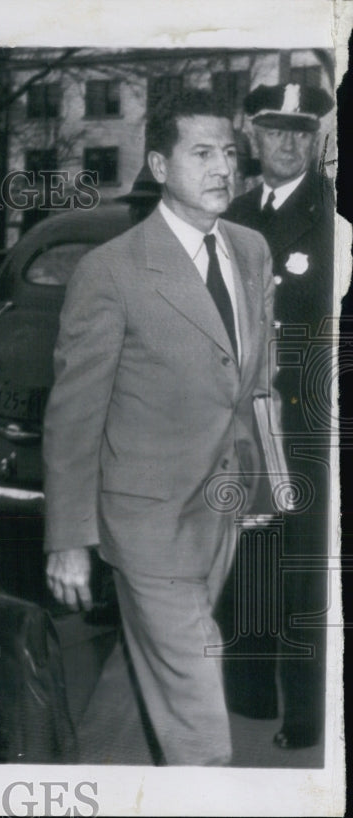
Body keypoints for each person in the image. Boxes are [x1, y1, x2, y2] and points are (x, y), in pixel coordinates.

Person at [42, 90, 277, 766]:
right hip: (146, 521)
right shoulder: (111, 271)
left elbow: (258, 384)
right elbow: (74, 414)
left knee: (150, 667)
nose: (223, 168)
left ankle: (89, 779)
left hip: (222, 508)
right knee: (197, 704)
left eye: (230, 154)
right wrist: (68, 539)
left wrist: (265, 480)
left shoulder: (251, 251)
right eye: (201, 153)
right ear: (159, 165)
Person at [219, 82, 335, 750]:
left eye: (300, 130)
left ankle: (307, 715)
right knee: (247, 560)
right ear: (252, 135)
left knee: (301, 569)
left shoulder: (331, 215)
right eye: (274, 129)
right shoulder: (229, 213)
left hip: (305, 422)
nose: (287, 142)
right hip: (237, 421)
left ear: (313, 137)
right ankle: (252, 698)